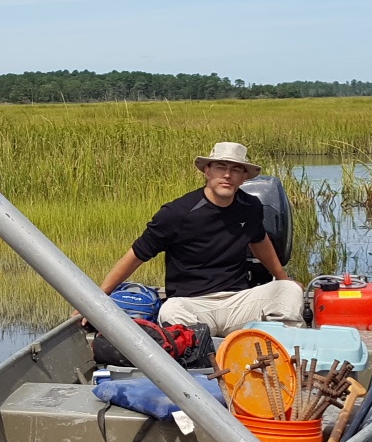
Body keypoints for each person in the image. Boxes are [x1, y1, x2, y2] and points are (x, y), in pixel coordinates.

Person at [96, 141, 303, 336]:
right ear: (207, 171)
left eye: (236, 169)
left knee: (289, 290)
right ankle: (202, 351)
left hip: (237, 301)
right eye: (221, 167)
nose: (227, 175)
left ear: (244, 178)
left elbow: (259, 240)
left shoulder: (251, 207)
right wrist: (97, 300)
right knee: (171, 310)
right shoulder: (177, 213)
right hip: (192, 305)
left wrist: (282, 277)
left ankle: (282, 350)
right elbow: (136, 255)